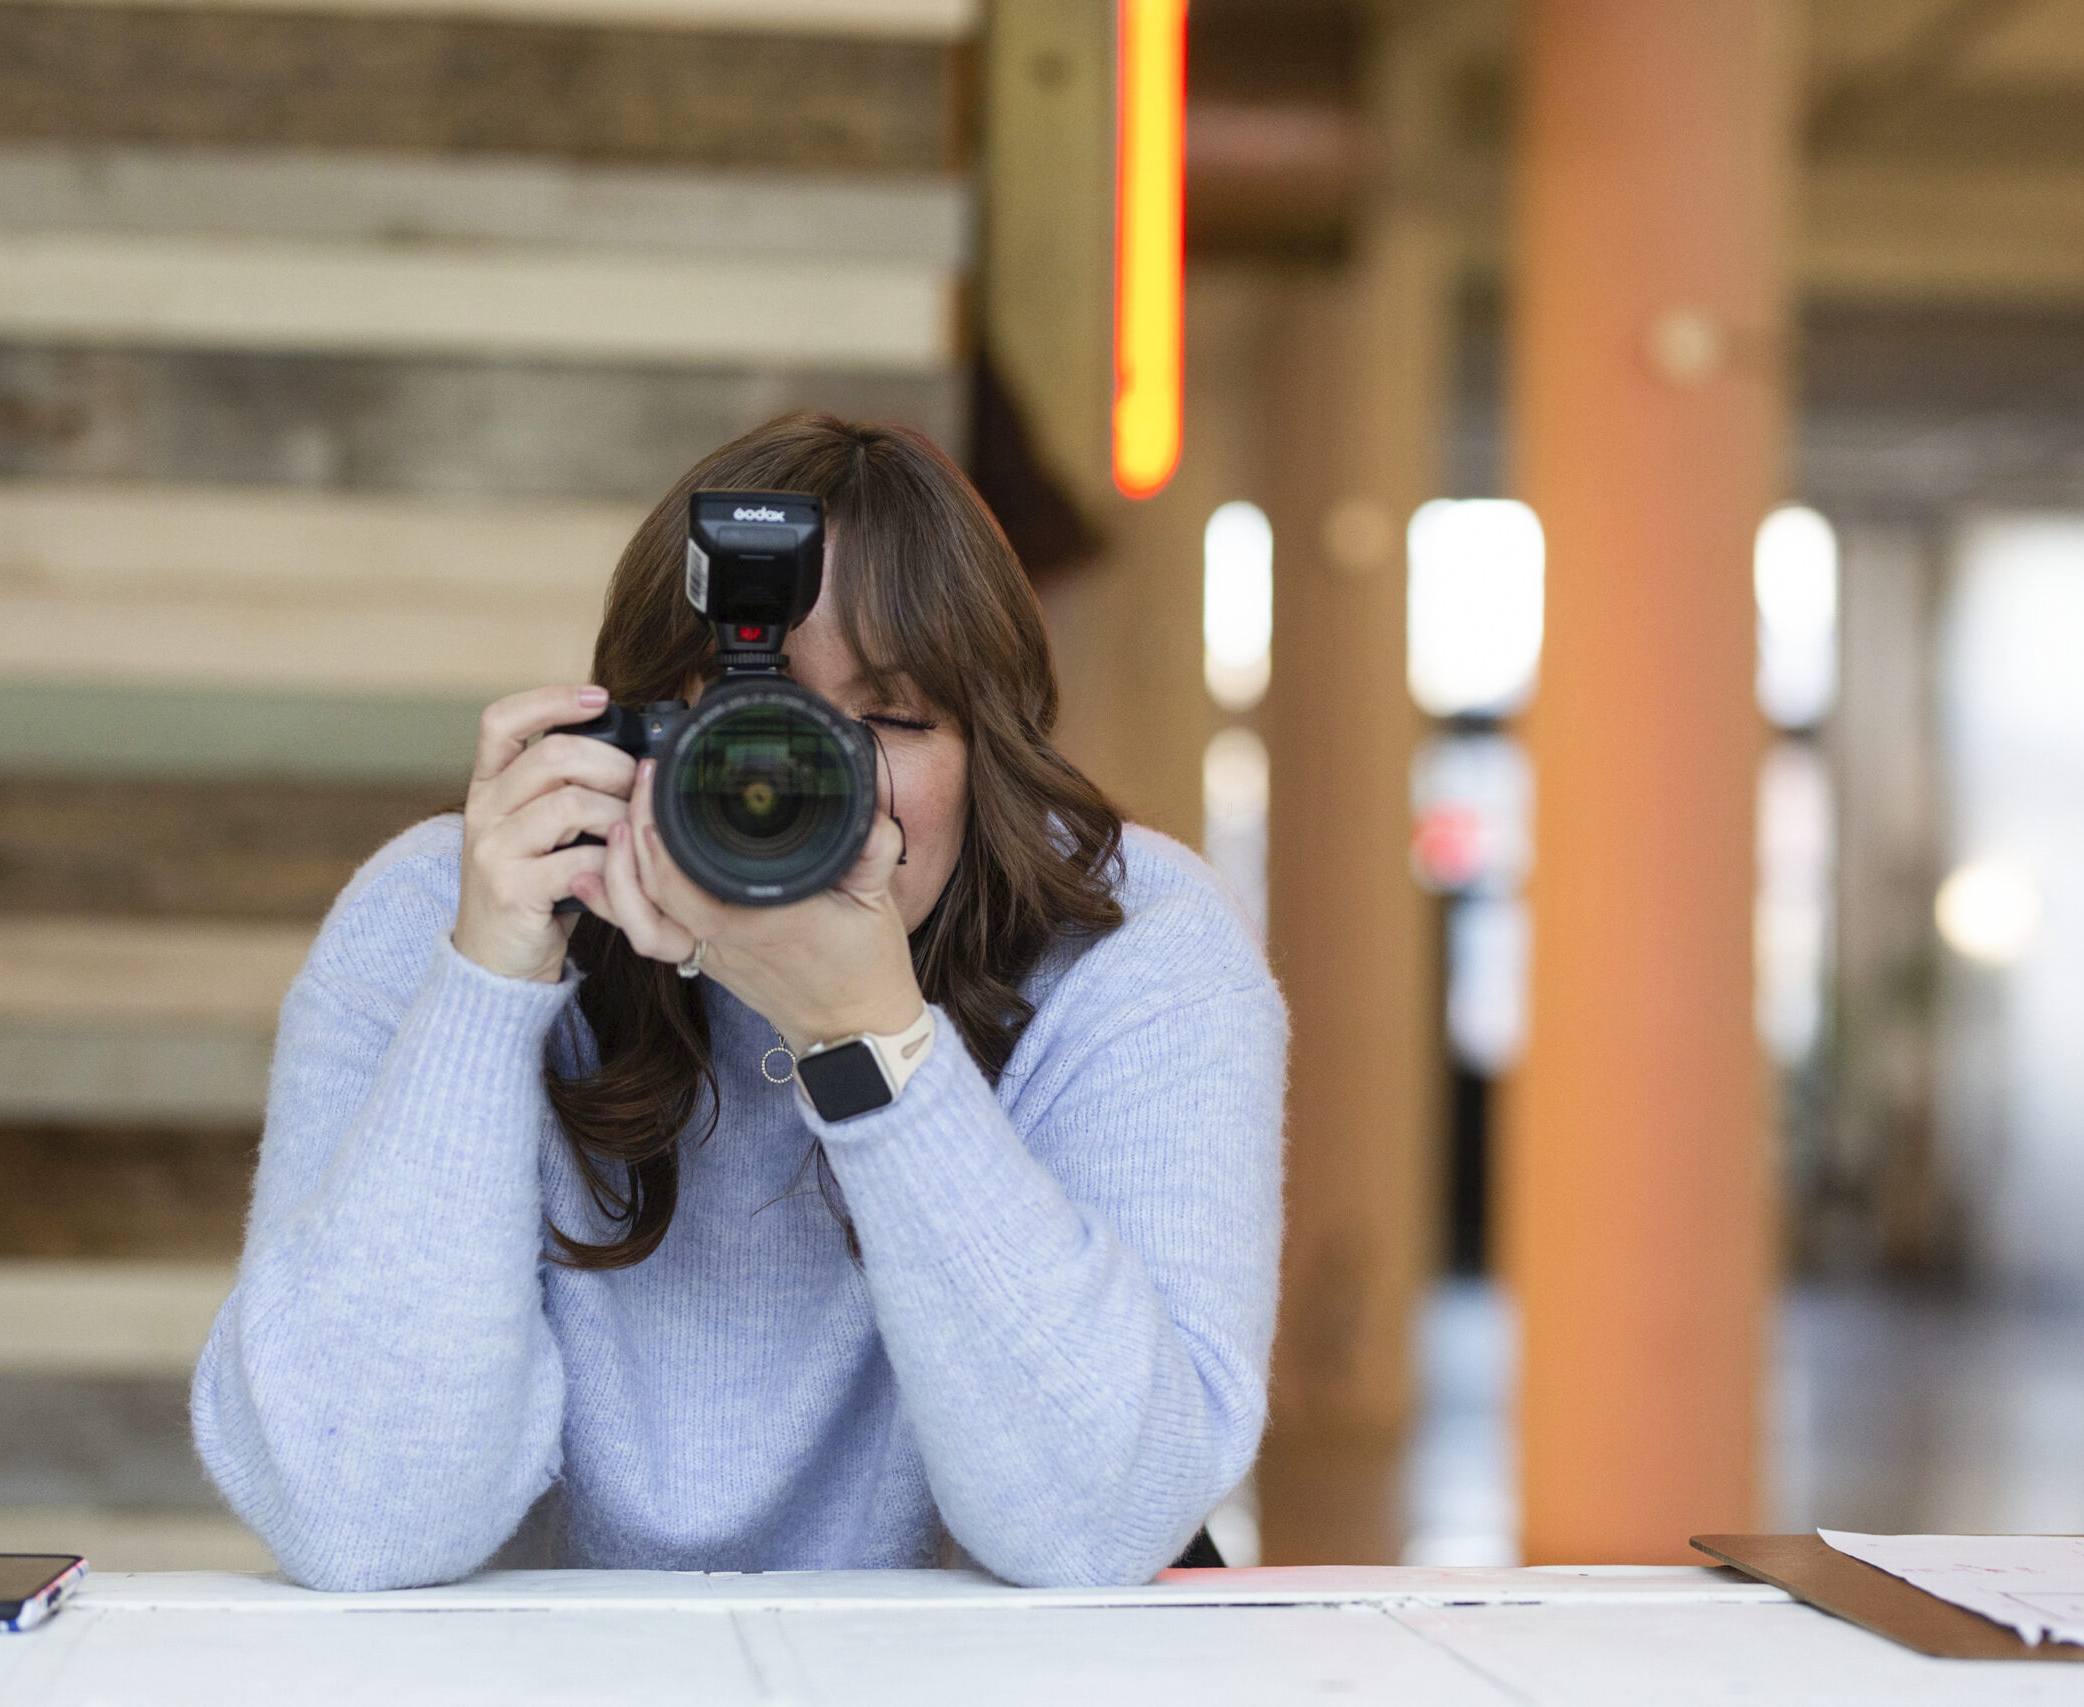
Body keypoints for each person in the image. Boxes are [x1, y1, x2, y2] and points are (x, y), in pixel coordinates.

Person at [192, 414, 1286, 1591]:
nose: (793, 779)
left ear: (990, 754)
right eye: (736, 719)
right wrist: (484, 988)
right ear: (621, 736)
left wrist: (866, 1040)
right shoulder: (443, 912)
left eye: (893, 717)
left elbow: (1102, 1522)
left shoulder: (1129, 945)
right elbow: (352, 1516)